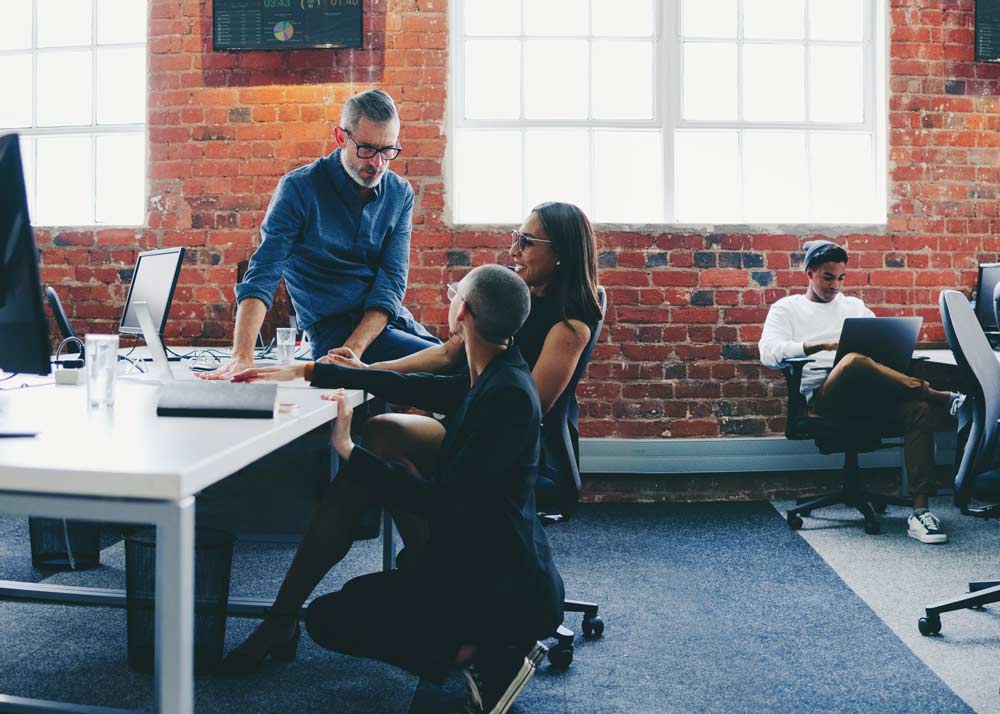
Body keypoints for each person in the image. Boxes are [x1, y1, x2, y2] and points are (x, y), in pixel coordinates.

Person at [218, 202, 600, 672]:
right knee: (382, 433)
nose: (514, 248)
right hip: (482, 426)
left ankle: (303, 613)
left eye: (526, 241)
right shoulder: (517, 298)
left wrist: (348, 442)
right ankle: (429, 572)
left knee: (381, 461)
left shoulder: (568, 324)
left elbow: (519, 412)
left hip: (521, 452)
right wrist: (360, 372)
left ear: (560, 252)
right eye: (516, 237)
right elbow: (447, 357)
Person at [202, 89, 438, 381]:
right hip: (332, 332)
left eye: (387, 150)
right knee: (457, 373)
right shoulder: (300, 189)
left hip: (386, 323)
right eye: (366, 149)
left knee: (472, 368)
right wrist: (242, 356)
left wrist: (352, 351)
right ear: (341, 138)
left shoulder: (400, 192)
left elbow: (391, 282)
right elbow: (263, 273)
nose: (377, 163)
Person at [759, 240, 963, 544]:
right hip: (826, 399)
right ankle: (935, 394)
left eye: (841, 278)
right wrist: (818, 345)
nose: (835, 286)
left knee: (916, 411)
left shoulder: (853, 307)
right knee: (852, 361)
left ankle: (921, 513)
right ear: (809, 272)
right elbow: (768, 352)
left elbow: (878, 347)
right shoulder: (788, 308)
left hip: (868, 397)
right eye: (827, 277)